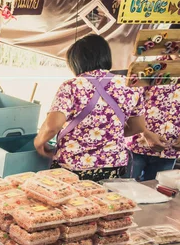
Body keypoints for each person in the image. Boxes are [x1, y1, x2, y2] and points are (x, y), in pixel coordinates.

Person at [34, 34, 160, 182]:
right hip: (114, 165)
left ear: (76, 62)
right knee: (106, 203)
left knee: (74, 204)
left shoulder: (71, 86)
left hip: (74, 166)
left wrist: (39, 142)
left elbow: (52, 126)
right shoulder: (129, 85)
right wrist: (108, 133)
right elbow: (138, 126)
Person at [126, 80, 180, 181]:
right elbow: (129, 104)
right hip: (137, 146)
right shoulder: (151, 68)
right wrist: (145, 134)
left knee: (156, 192)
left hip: (169, 152)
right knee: (122, 190)